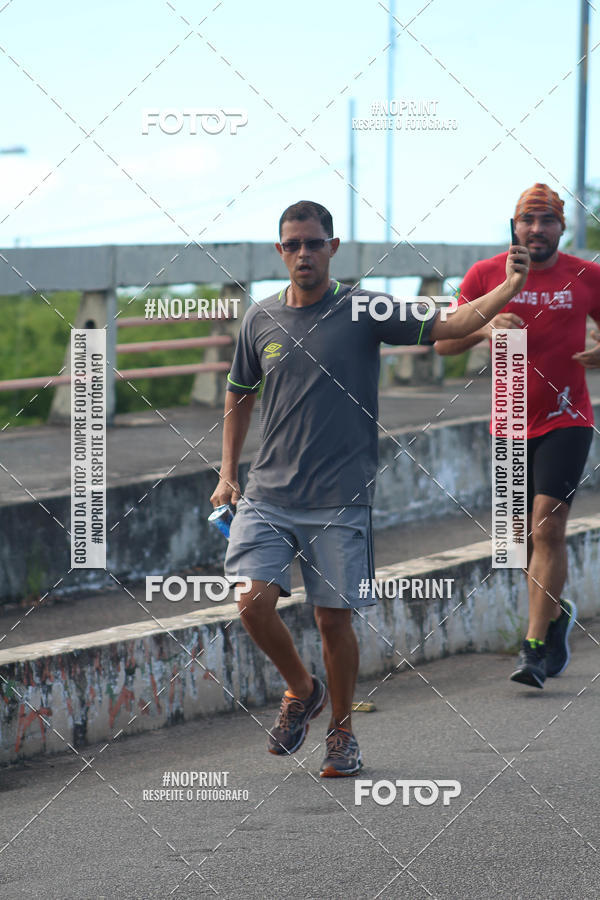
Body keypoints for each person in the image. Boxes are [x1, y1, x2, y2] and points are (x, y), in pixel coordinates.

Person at [210, 200, 529, 775]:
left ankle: (340, 734)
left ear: (333, 248)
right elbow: (238, 394)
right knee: (253, 605)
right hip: (268, 494)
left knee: (334, 619)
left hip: (341, 498)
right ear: (279, 251)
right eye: (292, 244)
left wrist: (507, 288)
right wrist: (228, 472)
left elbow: (450, 325)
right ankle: (301, 689)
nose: (303, 253)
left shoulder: (366, 308)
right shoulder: (258, 320)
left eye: (313, 243)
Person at [435, 183, 600, 688]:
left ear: (561, 228)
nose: (536, 229)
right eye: (528, 220)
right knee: (517, 541)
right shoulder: (487, 275)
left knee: (548, 528)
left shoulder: (587, 275)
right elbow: (444, 345)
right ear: (514, 225)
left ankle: (532, 650)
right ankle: (556, 614)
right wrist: (484, 329)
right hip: (508, 419)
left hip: (567, 418)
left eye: (547, 221)